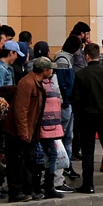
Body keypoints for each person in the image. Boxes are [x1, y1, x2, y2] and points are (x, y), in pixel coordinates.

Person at [72, 42, 103, 193]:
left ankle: (88, 184)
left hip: (87, 116)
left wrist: (79, 116)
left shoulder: (81, 74)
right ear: (98, 55)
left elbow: (76, 99)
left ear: (86, 56)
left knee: (88, 151)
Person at [2, 58, 51, 201]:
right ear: (45, 71)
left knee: (28, 161)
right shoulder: (27, 83)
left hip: (29, 130)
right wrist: (23, 132)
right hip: (18, 131)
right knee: (17, 162)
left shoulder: (36, 82)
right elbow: (20, 110)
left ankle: (26, 189)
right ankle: (16, 192)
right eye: (50, 69)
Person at [34, 57, 69, 197]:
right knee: (49, 156)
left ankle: (48, 186)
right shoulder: (39, 85)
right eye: (50, 68)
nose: (52, 71)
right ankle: (47, 186)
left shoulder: (50, 82)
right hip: (45, 126)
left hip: (53, 126)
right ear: (45, 70)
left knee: (51, 155)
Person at [54, 36, 82, 178]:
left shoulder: (64, 58)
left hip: (67, 102)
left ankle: (67, 164)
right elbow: (64, 82)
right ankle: (65, 165)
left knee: (67, 136)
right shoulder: (63, 60)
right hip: (65, 103)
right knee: (66, 136)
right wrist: (66, 99)